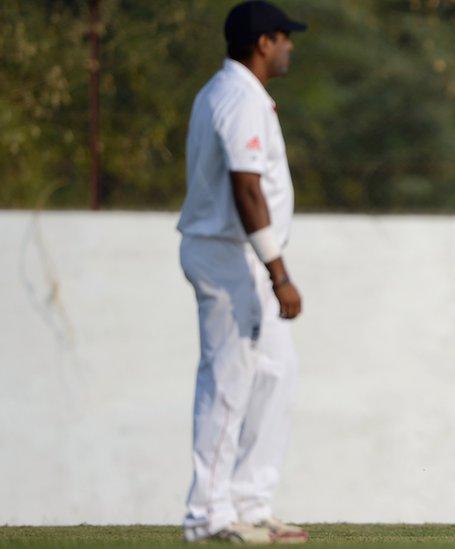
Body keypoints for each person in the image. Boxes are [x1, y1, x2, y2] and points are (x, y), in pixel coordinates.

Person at [176, 1, 308, 543]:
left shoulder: (240, 94)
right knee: (228, 382)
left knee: (277, 373)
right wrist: (279, 271)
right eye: (284, 37)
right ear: (263, 42)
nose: (290, 46)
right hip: (229, 256)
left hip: (246, 257)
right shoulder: (236, 97)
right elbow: (246, 187)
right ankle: (208, 516)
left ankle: (251, 503)